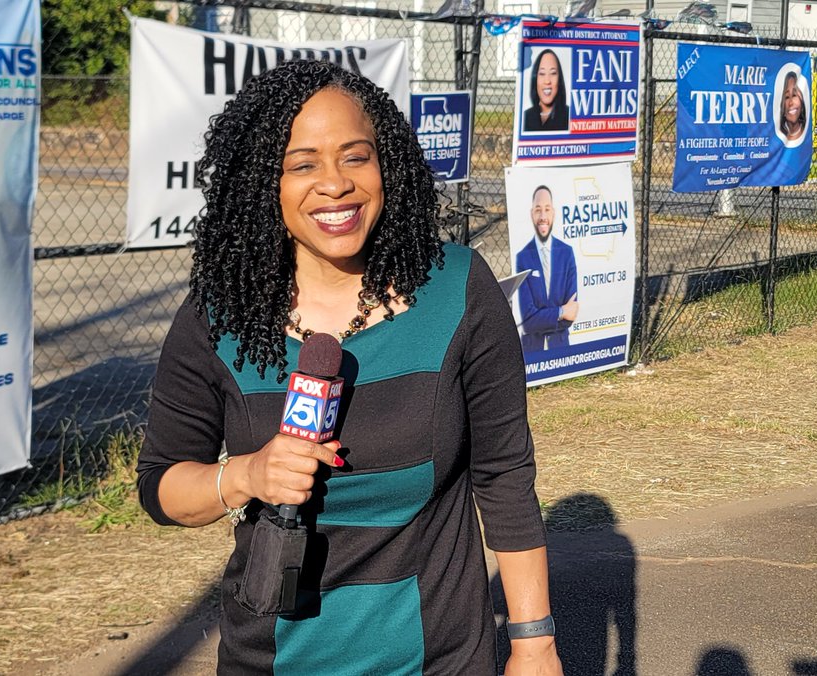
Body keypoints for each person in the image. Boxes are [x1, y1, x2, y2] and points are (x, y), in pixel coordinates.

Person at [136, 60, 562, 674]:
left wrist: (534, 642)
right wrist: (248, 475)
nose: (334, 184)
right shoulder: (216, 318)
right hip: (271, 660)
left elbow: (504, 478)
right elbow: (162, 485)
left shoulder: (458, 290)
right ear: (263, 183)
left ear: (385, 164)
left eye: (355, 157)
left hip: (438, 656)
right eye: (303, 164)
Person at [516, 185, 578, 352]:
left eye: (547, 209)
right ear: (531, 214)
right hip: (531, 350)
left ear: (554, 213)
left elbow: (571, 314)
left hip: (561, 346)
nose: (543, 216)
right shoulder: (522, 257)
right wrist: (560, 311)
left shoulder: (566, 253)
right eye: (538, 210)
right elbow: (528, 322)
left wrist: (543, 316)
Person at [523, 49, 569, 132]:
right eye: (542, 73)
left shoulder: (570, 116)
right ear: (535, 78)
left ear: (559, 79)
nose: (547, 81)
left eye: (553, 73)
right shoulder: (525, 117)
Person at [779, 71, 807, 143]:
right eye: (787, 97)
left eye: (794, 95)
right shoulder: (778, 141)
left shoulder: (807, 134)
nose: (791, 103)